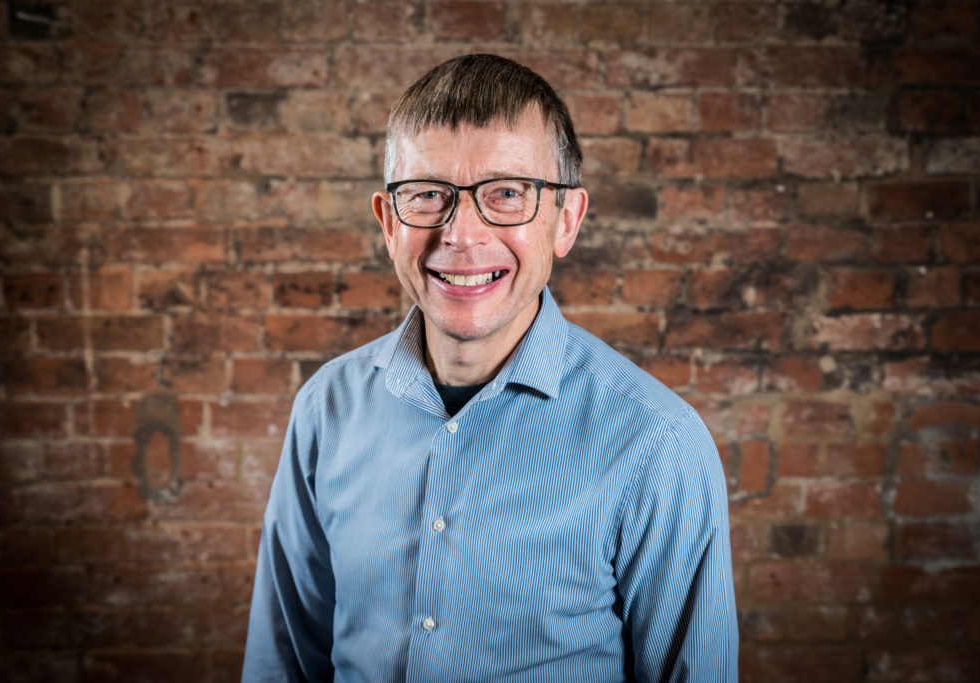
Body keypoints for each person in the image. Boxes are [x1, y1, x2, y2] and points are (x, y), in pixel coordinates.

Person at [242, 53, 738, 682]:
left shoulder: (659, 444)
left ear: (566, 220)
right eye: (428, 195)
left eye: (506, 193)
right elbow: (282, 665)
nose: (463, 234)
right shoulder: (326, 410)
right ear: (389, 223)